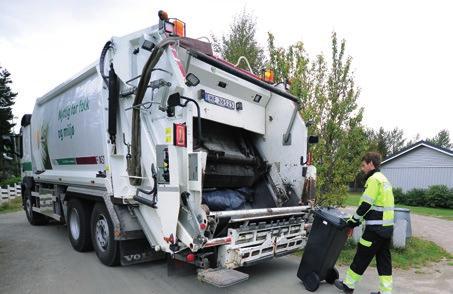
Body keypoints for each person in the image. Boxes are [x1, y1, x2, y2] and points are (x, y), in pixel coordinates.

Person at [335, 152, 394, 294]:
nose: (362, 168)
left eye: (363, 165)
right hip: (386, 229)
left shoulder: (374, 180)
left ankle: (348, 285)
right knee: (384, 261)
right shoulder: (384, 179)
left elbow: (365, 205)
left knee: (362, 256)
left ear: (371, 164)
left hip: (375, 229)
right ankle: (386, 292)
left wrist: (353, 222)